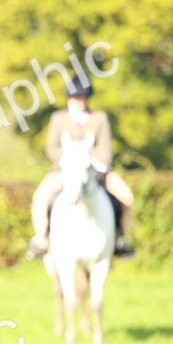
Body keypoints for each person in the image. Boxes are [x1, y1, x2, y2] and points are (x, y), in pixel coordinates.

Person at [27, 75, 135, 259]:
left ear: (87, 99)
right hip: (65, 171)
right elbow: (52, 147)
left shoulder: (99, 118)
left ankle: (121, 238)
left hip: (96, 171)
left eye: (82, 98)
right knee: (40, 197)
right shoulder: (58, 118)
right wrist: (70, 159)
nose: (78, 102)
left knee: (127, 197)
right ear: (69, 98)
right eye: (75, 98)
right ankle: (41, 239)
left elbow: (105, 150)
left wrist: (91, 161)